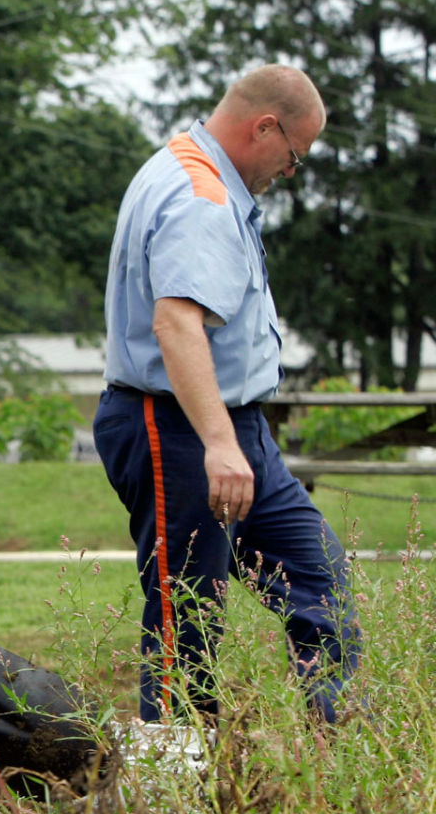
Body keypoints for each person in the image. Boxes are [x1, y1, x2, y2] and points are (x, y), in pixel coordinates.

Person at [93, 64, 359, 735]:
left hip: (230, 426)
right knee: (189, 616)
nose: (291, 170)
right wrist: (218, 443)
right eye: (294, 153)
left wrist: (231, 438)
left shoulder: (190, 169)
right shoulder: (200, 196)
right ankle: (176, 785)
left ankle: (336, 750)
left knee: (319, 576)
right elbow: (176, 323)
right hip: (179, 426)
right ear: (264, 127)